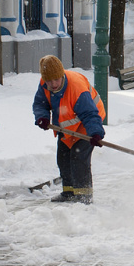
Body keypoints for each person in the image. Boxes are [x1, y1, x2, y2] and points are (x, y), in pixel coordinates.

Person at [33, 55, 106, 205]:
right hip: (66, 126)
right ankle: (69, 192)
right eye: (49, 80)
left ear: (62, 75)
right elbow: (40, 104)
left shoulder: (76, 88)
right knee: (63, 157)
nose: (53, 84)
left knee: (78, 158)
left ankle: (84, 196)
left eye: (56, 79)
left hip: (88, 124)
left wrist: (95, 133)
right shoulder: (44, 84)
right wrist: (42, 117)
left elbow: (90, 114)